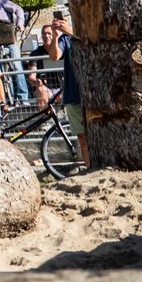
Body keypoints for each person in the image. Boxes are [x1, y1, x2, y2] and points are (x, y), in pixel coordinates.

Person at [43, 12, 88, 166]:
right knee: (82, 137)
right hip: (73, 94)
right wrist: (56, 36)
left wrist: (70, 31)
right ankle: (89, 167)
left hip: (93, 94)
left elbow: (91, 44)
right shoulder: (65, 39)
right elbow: (54, 56)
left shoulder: (88, 31)